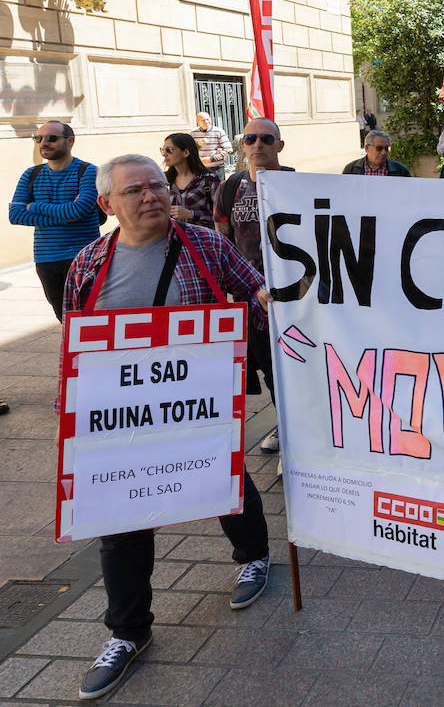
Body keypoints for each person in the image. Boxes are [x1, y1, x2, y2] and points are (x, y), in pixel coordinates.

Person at [65, 153, 273, 700]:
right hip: (125, 418)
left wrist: (266, 301)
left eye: (156, 186)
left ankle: (254, 558)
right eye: (135, 191)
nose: (152, 196)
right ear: (108, 204)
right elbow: (75, 343)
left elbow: (252, 287)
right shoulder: (87, 264)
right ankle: (128, 633)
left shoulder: (203, 245)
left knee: (226, 487)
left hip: (198, 402)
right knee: (121, 521)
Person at [214, 118, 292, 451]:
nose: (257, 144)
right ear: (242, 145)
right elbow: (224, 238)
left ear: (279, 145)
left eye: (265, 138)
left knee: (292, 368)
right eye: (250, 138)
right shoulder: (231, 186)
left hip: (293, 297)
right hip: (250, 298)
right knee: (268, 370)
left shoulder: (296, 184)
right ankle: (284, 427)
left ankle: (297, 432)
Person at [9, 121, 100, 321]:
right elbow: (15, 215)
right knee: (65, 319)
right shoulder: (31, 174)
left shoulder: (88, 171)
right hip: (46, 259)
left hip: (82, 257)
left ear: (70, 141)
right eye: (38, 138)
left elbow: (80, 209)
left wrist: (34, 206)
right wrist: (66, 215)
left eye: (51, 138)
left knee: (90, 317)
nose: (43, 143)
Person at [162, 133, 220, 229]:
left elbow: (221, 216)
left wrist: (191, 214)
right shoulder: (164, 181)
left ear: (186, 153)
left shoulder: (209, 179)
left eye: (169, 150)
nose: (164, 154)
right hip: (174, 240)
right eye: (163, 150)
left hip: (202, 240)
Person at [343, 130, 411, 176]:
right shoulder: (351, 170)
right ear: (367, 148)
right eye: (379, 148)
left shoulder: (401, 171)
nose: (383, 152)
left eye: (386, 148)